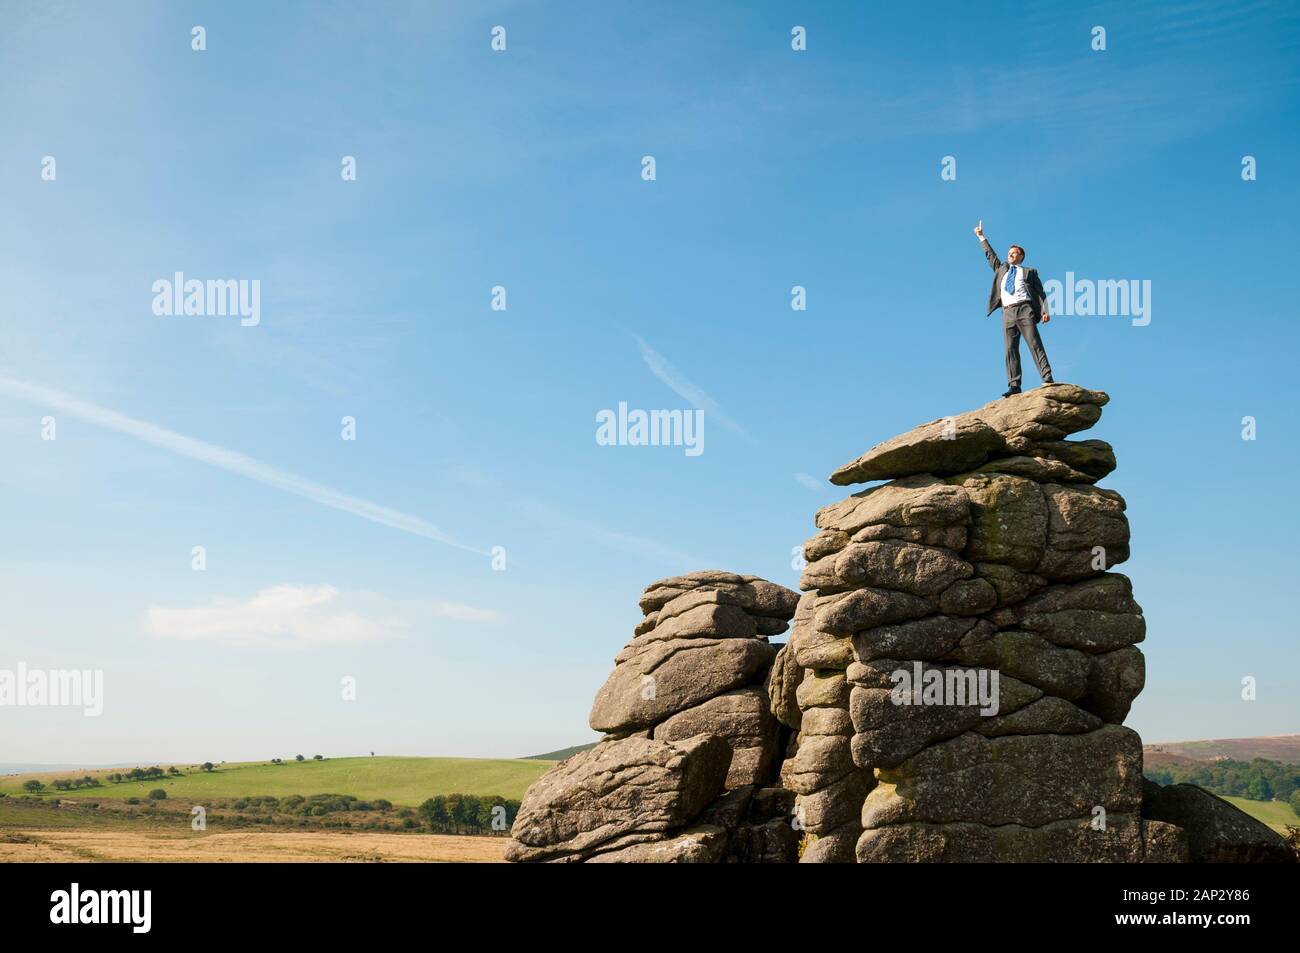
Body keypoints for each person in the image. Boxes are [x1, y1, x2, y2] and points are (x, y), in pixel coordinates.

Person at [973, 220, 1054, 397]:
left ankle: (1047, 376)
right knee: (1010, 349)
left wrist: (1044, 310)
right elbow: (990, 255)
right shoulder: (1001, 269)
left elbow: (1040, 292)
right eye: (1009, 253)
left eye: (1014, 253)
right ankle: (1014, 384)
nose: (1010, 255)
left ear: (1021, 256)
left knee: (1034, 343)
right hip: (1007, 312)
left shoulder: (1029, 272)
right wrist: (981, 237)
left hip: (1025, 310)